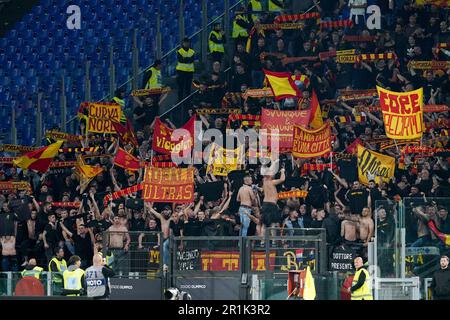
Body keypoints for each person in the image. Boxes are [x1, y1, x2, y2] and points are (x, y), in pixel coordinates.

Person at [261, 162, 285, 237]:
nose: (274, 174)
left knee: (264, 224)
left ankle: (262, 242)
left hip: (265, 204)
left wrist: (274, 163)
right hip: (271, 204)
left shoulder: (264, 181)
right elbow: (282, 179)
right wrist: (282, 171)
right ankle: (274, 242)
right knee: (273, 223)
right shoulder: (272, 182)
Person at [176, 37, 195, 102]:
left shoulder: (192, 51)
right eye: (185, 43)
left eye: (187, 43)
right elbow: (181, 60)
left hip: (189, 72)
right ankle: (180, 101)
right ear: (182, 43)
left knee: (188, 88)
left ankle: (188, 101)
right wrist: (187, 59)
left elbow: (191, 60)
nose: (186, 44)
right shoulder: (179, 51)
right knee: (180, 87)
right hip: (181, 71)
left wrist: (185, 59)